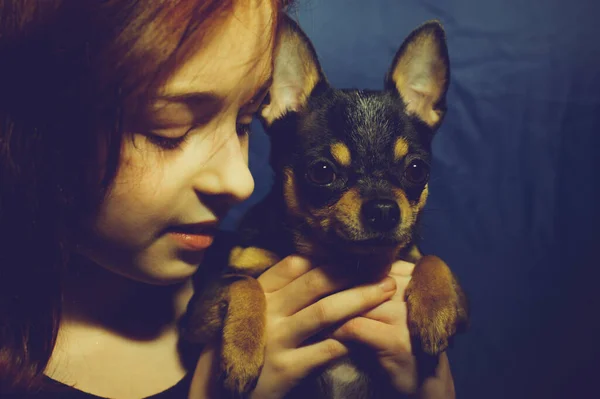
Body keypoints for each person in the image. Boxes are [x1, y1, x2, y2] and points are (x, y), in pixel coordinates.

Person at [0, 0, 456, 397]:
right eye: (169, 130)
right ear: (33, 127)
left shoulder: (218, 260)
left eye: (242, 124)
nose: (242, 182)